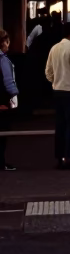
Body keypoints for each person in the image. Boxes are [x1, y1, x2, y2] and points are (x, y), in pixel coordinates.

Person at [45, 21, 70, 169]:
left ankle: (59, 157)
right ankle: (69, 157)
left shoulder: (54, 48)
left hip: (57, 91)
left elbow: (48, 71)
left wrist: (55, 81)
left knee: (60, 125)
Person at [0, 28, 19, 171]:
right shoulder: (3, 60)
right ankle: (1, 162)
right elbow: (8, 81)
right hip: (2, 99)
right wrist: (14, 96)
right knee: (3, 131)